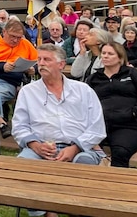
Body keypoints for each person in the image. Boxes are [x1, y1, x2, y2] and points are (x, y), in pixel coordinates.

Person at [12, 44, 106, 217]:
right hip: (41, 147)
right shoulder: (28, 91)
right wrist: (34, 145)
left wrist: (76, 147)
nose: (41, 64)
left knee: (84, 162)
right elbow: (19, 126)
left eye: (47, 59)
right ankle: (48, 212)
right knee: (25, 165)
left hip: (80, 147)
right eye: (39, 59)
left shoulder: (83, 90)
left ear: (61, 64)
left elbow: (97, 128)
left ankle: (77, 210)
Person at [0, 18, 37, 143]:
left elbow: (38, 62)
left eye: (19, 37)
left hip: (9, 83)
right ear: (4, 32)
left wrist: (33, 69)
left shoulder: (26, 45)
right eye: (12, 36)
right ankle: (0, 121)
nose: (15, 40)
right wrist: (1, 67)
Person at [87, 41, 137, 167]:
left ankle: (118, 185)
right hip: (100, 124)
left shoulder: (132, 74)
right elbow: (85, 101)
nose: (105, 56)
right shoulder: (94, 78)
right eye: (104, 53)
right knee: (83, 150)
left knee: (120, 152)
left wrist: (135, 112)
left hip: (129, 124)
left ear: (120, 57)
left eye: (110, 54)